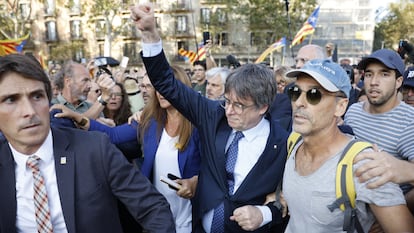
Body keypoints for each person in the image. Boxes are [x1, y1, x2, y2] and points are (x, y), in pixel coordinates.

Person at [131, 3, 288, 232]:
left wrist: (264, 214)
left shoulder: (283, 142)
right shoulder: (213, 116)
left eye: (239, 105)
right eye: (228, 101)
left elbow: (289, 197)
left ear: (263, 107)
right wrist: (150, 34)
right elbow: (167, 84)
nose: (230, 110)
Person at [0, 53, 175, 233]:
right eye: (11, 100)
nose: (29, 111)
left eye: (37, 96)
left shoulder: (95, 150)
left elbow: (154, 209)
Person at [51, 65, 201, 233]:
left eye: (167, 87)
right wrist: (77, 117)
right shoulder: (150, 121)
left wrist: (196, 181)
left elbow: (216, 168)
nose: (161, 92)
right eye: (158, 87)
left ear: (181, 87)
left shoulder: (199, 124)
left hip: (191, 213)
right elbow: (112, 135)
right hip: (158, 212)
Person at [283, 58, 414, 232]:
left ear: (340, 107)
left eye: (314, 94)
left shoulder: (364, 165)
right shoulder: (294, 141)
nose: (299, 102)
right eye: (295, 91)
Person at [344, 49, 414, 215]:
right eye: (369, 74)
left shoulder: (409, 121)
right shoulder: (353, 112)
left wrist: (396, 213)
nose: (374, 81)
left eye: (384, 74)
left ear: (398, 81)